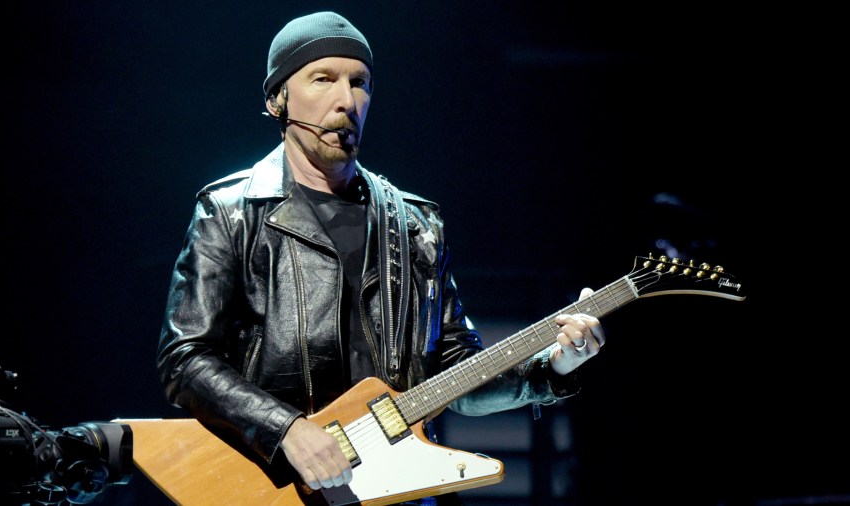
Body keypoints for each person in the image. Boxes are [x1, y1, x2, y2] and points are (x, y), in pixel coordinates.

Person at [157, 11, 605, 506]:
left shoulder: (415, 226)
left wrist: (551, 368)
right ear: (277, 99)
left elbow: (458, 374)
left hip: (404, 494)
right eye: (323, 79)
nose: (346, 101)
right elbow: (186, 360)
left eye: (360, 83)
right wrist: (286, 430)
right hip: (277, 489)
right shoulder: (231, 211)